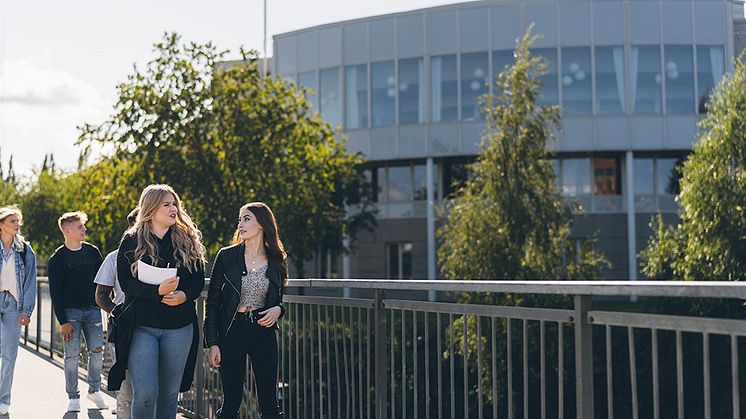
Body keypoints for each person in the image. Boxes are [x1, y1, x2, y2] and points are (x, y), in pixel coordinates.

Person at [111, 184, 205, 419]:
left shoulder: (187, 239)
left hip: (180, 327)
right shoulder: (131, 240)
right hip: (142, 326)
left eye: (174, 204)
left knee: (169, 394)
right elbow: (125, 283)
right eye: (167, 205)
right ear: (152, 209)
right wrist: (157, 292)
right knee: (145, 392)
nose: (173, 209)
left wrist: (184, 295)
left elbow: (197, 281)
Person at [204, 202, 288, 419]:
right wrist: (212, 343)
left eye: (246, 219)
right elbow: (212, 302)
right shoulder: (226, 256)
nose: (240, 224)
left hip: (263, 330)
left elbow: (279, 299)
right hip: (232, 330)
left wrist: (279, 309)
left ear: (261, 223)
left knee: (269, 402)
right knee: (231, 400)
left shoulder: (276, 259)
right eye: (240, 219)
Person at [48, 211, 109, 412]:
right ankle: (73, 397)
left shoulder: (93, 252)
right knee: (71, 356)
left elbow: (103, 283)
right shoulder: (57, 259)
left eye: (83, 226)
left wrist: (106, 306)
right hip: (70, 314)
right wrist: (63, 321)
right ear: (67, 231)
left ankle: (94, 390)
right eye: (79, 227)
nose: (84, 229)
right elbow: (55, 293)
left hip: (93, 311)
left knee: (97, 352)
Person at [94, 208, 137, 418]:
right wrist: (116, 311)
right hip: (121, 327)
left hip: (156, 325)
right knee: (125, 388)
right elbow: (101, 294)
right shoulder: (114, 257)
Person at [0, 207, 36, 415]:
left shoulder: (24, 250)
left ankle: (4, 399)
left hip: (14, 304)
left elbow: (31, 281)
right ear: (2, 224)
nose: (17, 224)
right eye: (13, 220)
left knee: (10, 356)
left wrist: (27, 311)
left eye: (18, 221)